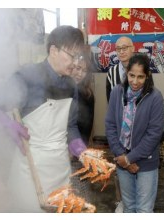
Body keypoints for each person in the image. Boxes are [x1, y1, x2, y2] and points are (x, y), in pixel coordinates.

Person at [0, 25, 91, 212]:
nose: (75, 62)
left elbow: (70, 126)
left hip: (60, 169)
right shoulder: (26, 77)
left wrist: (81, 150)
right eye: (72, 55)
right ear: (53, 50)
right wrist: (8, 124)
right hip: (30, 171)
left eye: (78, 56)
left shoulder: (72, 85)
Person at [105, 53, 164, 212]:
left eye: (140, 77)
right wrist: (121, 156)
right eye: (131, 75)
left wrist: (129, 158)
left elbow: (154, 134)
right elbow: (110, 125)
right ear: (126, 73)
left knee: (144, 209)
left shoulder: (155, 97)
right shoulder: (117, 92)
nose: (135, 81)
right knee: (129, 207)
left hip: (145, 162)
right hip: (122, 158)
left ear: (147, 76)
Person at [69, 45, 95, 202]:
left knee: (82, 199)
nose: (78, 73)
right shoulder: (64, 92)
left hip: (80, 152)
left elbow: (89, 125)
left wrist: (85, 149)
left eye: (83, 70)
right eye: (76, 68)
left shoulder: (88, 94)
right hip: (66, 152)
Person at [106, 36, 135, 102]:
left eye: (124, 48)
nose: (121, 52)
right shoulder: (111, 72)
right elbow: (110, 100)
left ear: (133, 48)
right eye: (118, 49)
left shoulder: (141, 70)